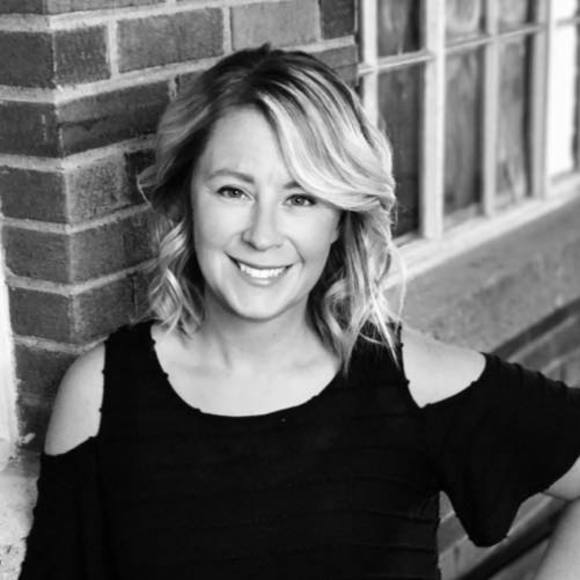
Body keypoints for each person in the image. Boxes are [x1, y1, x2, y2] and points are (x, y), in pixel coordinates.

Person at [19, 45, 580, 580]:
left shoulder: (415, 382)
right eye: (233, 191)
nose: (262, 235)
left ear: (341, 219)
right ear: (187, 198)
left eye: (301, 198)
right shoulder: (101, 394)